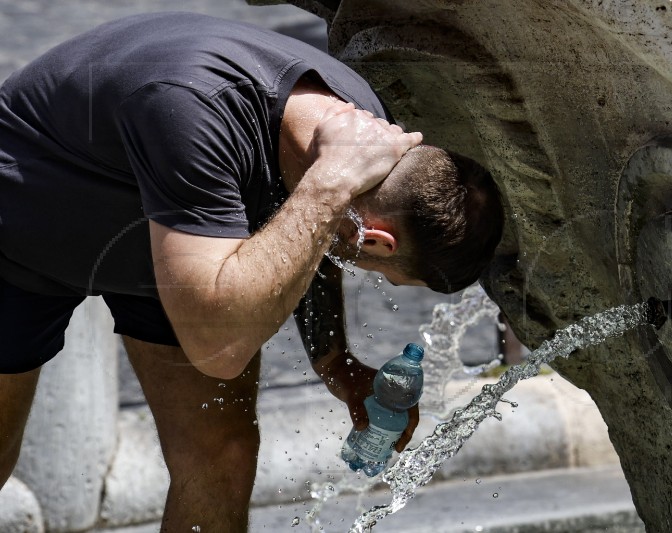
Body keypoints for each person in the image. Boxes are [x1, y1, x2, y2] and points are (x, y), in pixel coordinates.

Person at [0, 12, 503, 531]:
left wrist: (335, 362)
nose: (369, 275)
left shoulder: (364, 143)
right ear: (373, 240)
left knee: (224, 454)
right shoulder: (204, 115)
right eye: (382, 273)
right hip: (24, 216)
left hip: (181, 240)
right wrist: (327, 185)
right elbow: (219, 349)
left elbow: (316, 235)